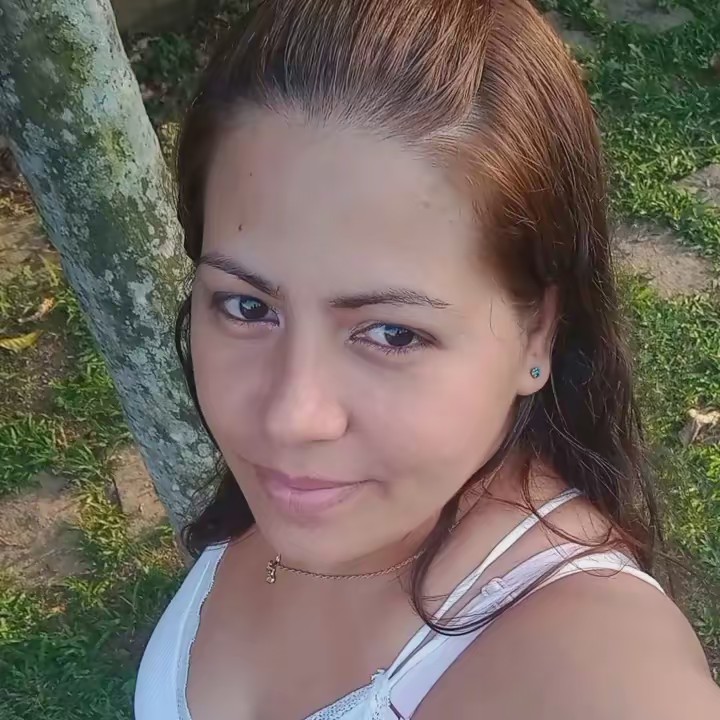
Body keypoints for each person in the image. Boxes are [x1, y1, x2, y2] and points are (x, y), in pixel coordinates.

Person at [134, 0, 720, 718]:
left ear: (538, 332)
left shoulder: (597, 669)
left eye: (393, 334)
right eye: (248, 307)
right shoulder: (314, 496)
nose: (290, 417)